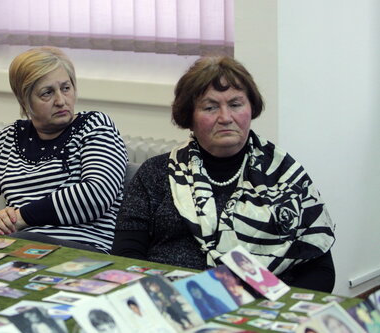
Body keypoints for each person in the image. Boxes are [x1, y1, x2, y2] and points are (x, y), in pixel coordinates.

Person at [112, 56, 336, 292]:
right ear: (189, 117)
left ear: (251, 108)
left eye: (236, 104)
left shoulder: (285, 177)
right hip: (171, 302)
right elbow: (126, 258)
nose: (226, 117)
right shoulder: (156, 173)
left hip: (262, 308)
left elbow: (320, 271)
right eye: (210, 107)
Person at [0, 46, 127, 253]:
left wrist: (20, 218)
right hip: (18, 246)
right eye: (47, 93)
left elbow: (97, 193)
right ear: (24, 101)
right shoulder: (6, 139)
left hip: (81, 250)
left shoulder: (95, 126)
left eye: (66, 88)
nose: (61, 101)